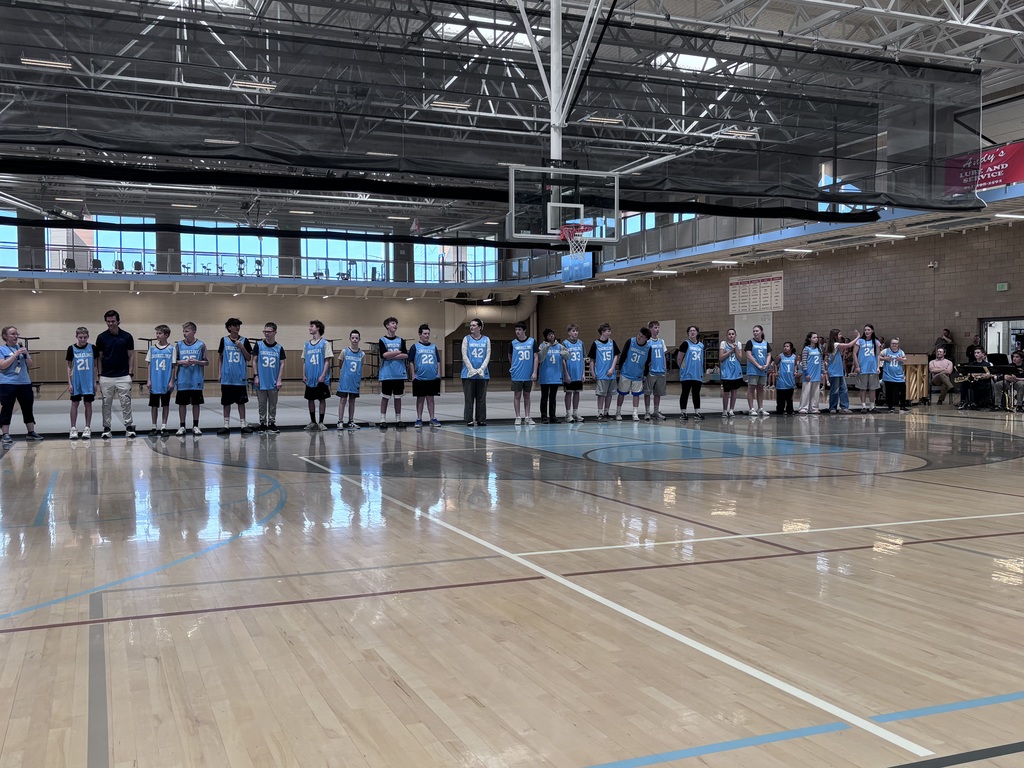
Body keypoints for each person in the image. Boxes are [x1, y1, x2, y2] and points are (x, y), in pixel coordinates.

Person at [96, 309, 136, 439]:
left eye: (113, 321)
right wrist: (100, 374)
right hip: (106, 376)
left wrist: (130, 373)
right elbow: (99, 357)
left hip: (123, 375)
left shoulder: (127, 337)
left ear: (118, 321)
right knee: (106, 403)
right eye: (108, 321)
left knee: (126, 402)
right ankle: (107, 428)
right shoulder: (101, 337)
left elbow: (131, 355)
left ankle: (129, 427)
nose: (110, 324)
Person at [0, 326, 43, 444]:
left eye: (16, 334)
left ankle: (31, 432)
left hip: (24, 382)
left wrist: (25, 354)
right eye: (13, 334)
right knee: (7, 407)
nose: (16, 336)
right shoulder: (2, 349)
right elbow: (2, 365)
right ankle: (5, 433)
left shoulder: (21, 348)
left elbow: (29, 364)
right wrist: (15, 355)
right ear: (5, 336)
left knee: (27, 407)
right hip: (8, 382)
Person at [217, 318, 253, 435]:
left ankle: (243, 424)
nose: (237, 327)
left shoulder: (244, 340)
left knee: (241, 402)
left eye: (238, 325)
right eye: (234, 325)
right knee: (226, 402)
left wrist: (242, 347)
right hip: (227, 377)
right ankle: (226, 425)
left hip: (240, 377)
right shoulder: (223, 340)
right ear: (229, 328)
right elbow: (220, 358)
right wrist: (219, 373)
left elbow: (248, 358)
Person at [174, 322, 208, 436]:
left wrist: (196, 362)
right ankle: (182, 426)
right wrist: (181, 362)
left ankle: (195, 426)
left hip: (196, 380)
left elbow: (206, 362)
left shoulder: (201, 345)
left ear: (194, 332)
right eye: (183, 331)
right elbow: (174, 361)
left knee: (196, 404)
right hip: (183, 379)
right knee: (182, 404)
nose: (184, 333)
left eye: (187, 331)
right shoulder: (178, 345)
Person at [614, 327, 653, 421]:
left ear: (646, 339)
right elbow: (623, 355)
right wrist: (620, 369)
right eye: (639, 334)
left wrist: (645, 374)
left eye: (642, 336)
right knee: (621, 393)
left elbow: (648, 361)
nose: (639, 337)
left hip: (638, 374)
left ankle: (635, 413)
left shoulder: (648, 347)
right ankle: (618, 412)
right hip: (626, 372)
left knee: (636, 395)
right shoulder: (630, 341)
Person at [66, 326, 99, 439]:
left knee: (88, 404)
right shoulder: (71, 349)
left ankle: (87, 428)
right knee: (74, 403)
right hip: (76, 381)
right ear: (76, 337)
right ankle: (73, 428)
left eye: (85, 337)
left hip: (88, 381)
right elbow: (69, 367)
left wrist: (95, 382)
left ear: (88, 337)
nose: (83, 339)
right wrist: (69, 382)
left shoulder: (92, 348)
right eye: (80, 337)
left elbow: (95, 366)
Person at [253, 322, 286, 433]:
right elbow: (254, 361)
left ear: (275, 332)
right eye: (265, 331)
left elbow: (282, 364)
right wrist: (256, 376)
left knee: (273, 404)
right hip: (261, 380)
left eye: (269, 331)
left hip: (273, 380)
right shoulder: (259, 345)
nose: (266, 333)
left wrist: (279, 379)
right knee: (262, 403)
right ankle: (262, 423)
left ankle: (272, 423)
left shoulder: (279, 348)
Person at [407, 323, 441, 428]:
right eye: (425, 333)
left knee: (431, 398)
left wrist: (438, 373)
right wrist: (413, 375)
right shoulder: (415, 347)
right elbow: (411, 361)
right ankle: (419, 418)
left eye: (428, 333)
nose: (427, 335)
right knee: (420, 398)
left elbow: (438, 361)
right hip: (420, 377)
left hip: (432, 377)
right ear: (420, 334)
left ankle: (432, 418)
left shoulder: (433, 347)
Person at [377, 316, 408, 430]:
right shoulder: (382, 340)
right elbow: (384, 355)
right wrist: (397, 353)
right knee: (385, 397)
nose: (395, 325)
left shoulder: (401, 340)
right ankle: (382, 420)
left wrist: (394, 353)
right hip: (387, 374)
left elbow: (405, 355)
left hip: (399, 373)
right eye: (392, 323)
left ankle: (398, 419)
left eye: (396, 323)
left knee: (398, 397)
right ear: (387, 326)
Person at [146, 324, 176, 436]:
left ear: (166, 335)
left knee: (165, 405)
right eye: (157, 333)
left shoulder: (171, 349)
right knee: (154, 405)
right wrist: (148, 379)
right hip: (155, 381)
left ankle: (164, 427)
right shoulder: (152, 348)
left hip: (165, 381)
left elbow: (173, 366)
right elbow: (149, 365)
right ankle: (154, 427)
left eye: (159, 333)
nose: (157, 335)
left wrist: (172, 381)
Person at [303, 319, 333, 430]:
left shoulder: (325, 343)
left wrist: (323, 375)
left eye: (312, 326)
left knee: (321, 399)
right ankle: (313, 421)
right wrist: (304, 375)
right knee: (310, 399)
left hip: (320, 378)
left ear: (318, 328)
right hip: (310, 377)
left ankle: (321, 422)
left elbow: (327, 361)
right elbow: (305, 361)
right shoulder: (307, 344)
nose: (310, 328)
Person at [461, 317, 490, 426]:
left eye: (474, 325)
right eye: (471, 325)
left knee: (481, 398)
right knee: (469, 398)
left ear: (480, 327)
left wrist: (481, 369)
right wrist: (471, 369)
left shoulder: (486, 339)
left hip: (482, 374)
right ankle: (469, 419)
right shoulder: (466, 339)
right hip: (468, 374)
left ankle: (481, 419)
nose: (471, 327)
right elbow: (464, 355)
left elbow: (488, 355)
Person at [510, 320, 539, 426]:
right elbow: (510, 356)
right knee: (517, 395)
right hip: (517, 374)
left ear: (524, 330)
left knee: (527, 395)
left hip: (528, 374)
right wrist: (514, 366)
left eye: (520, 330)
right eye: (516, 329)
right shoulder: (513, 343)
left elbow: (536, 357)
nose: (517, 332)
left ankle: (527, 416)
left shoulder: (532, 341)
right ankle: (518, 417)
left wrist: (535, 372)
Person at [588, 323, 619, 420]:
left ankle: (606, 412)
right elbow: (592, 359)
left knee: (610, 394)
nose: (610, 333)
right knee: (601, 394)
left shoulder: (612, 342)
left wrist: (612, 368)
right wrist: (593, 372)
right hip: (601, 373)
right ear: (602, 332)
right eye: (608, 331)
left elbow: (616, 355)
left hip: (611, 373)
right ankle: (600, 413)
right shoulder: (596, 344)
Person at [826, 328, 860, 414]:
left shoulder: (835, 345)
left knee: (843, 389)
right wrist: (858, 337)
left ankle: (844, 407)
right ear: (835, 336)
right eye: (839, 334)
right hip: (834, 371)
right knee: (835, 390)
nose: (841, 336)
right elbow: (849, 345)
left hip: (839, 371)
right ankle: (833, 407)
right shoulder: (835, 344)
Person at [537, 328, 568, 423]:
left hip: (556, 376)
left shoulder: (560, 346)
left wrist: (565, 353)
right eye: (549, 334)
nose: (551, 336)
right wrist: (546, 348)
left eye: (552, 334)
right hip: (545, 376)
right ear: (545, 337)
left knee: (553, 397)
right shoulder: (542, 346)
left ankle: (553, 416)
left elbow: (567, 357)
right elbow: (540, 359)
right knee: (544, 397)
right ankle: (543, 416)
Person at [336, 330, 364, 430]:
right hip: (345, 380)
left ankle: (351, 421)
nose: (355, 340)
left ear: (359, 339)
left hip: (355, 381)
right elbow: (340, 363)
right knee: (343, 400)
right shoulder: (345, 351)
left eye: (356, 338)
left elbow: (361, 366)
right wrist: (344, 373)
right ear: (350, 339)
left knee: (352, 401)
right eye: (353, 338)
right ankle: (340, 421)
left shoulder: (362, 354)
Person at [676, 325, 705, 421]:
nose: (692, 332)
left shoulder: (701, 345)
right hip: (687, 374)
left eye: (694, 331)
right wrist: (683, 368)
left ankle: (697, 412)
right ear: (688, 333)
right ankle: (683, 413)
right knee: (685, 393)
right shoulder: (685, 344)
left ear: (697, 332)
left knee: (696, 393)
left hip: (697, 374)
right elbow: (679, 358)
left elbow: (701, 360)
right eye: (690, 331)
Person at [744, 325, 773, 417]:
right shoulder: (750, 342)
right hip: (753, 369)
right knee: (751, 388)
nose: (755, 333)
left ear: (761, 332)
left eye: (757, 331)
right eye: (754, 331)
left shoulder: (765, 343)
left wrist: (767, 364)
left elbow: (769, 355)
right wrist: (758, 365)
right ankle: (751, 408)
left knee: (761, 388)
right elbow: (748, 355)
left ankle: (760, 408)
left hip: (763, 369)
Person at [853, 323, 882, 412]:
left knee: (873, 388)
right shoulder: (860, 341)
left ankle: (872, 406)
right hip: (863, 368)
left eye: (868, 330)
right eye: (865, 330)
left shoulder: (876, 342)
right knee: (863, 388)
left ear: (872, 331)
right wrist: (857, 366)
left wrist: (878, 367)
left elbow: (878, 355)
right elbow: (854, 353)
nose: (866, 331)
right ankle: (863, 406)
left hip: (873, 368)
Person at [643, 320, 668, 420]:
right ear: (650, 329)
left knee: (658, 393)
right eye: (655, 327)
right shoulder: (647, 342)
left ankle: (656, 411)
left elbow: (663, 355)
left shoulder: (661, 341)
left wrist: (665, 367)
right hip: (651, 371)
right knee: (647, 392)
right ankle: (647, 412)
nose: (657, 329)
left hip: (660, 370)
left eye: (658, 327)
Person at [562, 323, 586, 423]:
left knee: (577, 392)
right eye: (573, 331)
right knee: (569, 393)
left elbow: (583, 359)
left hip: (578, 373)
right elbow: (563, 360)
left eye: (576, 330)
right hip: (569, 373)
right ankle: (568, 414)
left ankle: (575, 412)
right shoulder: (565, 343)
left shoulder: (581, 343)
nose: (575, 332)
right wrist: (566, 374)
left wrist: (583, 373)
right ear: (569, 332)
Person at [718, 328, 744, 418]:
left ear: (735, 335)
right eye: (729, 334)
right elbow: (721, 358)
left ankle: (731, 410)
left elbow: (740, 358)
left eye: (733, 334)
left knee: (734, 391)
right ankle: (724, 410)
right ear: (727, 335)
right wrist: (730, 351)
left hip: (736, 372)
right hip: (726, 372)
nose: (731, 335)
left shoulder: (738, 344)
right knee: (726, 392)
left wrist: (735, 349)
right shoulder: (723, 344)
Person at [880, 336, 909, 413]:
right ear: (890, 344)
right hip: (888, 375)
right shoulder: (885, 351)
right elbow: (878, 357)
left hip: (899, 375)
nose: (894, 345)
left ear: (898, 345)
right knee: (889, 391)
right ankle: (890, 406)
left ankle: (902, 406)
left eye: (896, 344)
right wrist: (885, 359)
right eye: (893, 343)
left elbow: (905, 359)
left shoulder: (901, 352)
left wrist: (901, 359)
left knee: (903, 390)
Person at [798, 331, 825, 414]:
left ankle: (814, 408)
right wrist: (806, 373)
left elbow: (821, 361)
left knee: (815, 392)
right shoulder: (806, 349)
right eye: (814, 337)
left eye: (816, 337)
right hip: (809, 374)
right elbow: (804, 361)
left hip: (817, 373)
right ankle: (803, 408)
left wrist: (822, 372)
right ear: (809, 339)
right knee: (806, 392)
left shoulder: (818, 349)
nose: (816, 339)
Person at [775, 341, 797, 415]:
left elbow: (795, 365)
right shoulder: (780, 356)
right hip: (782, 379)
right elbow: (775, 363)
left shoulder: (794, 357)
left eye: (787, 346)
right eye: (784, 346)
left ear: (791, 348)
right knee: (781, 397)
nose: (785, 347)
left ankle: (790, 410)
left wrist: (795, 371)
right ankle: (780, 410)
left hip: (790, 379)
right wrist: (776, 372)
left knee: (789, 398)